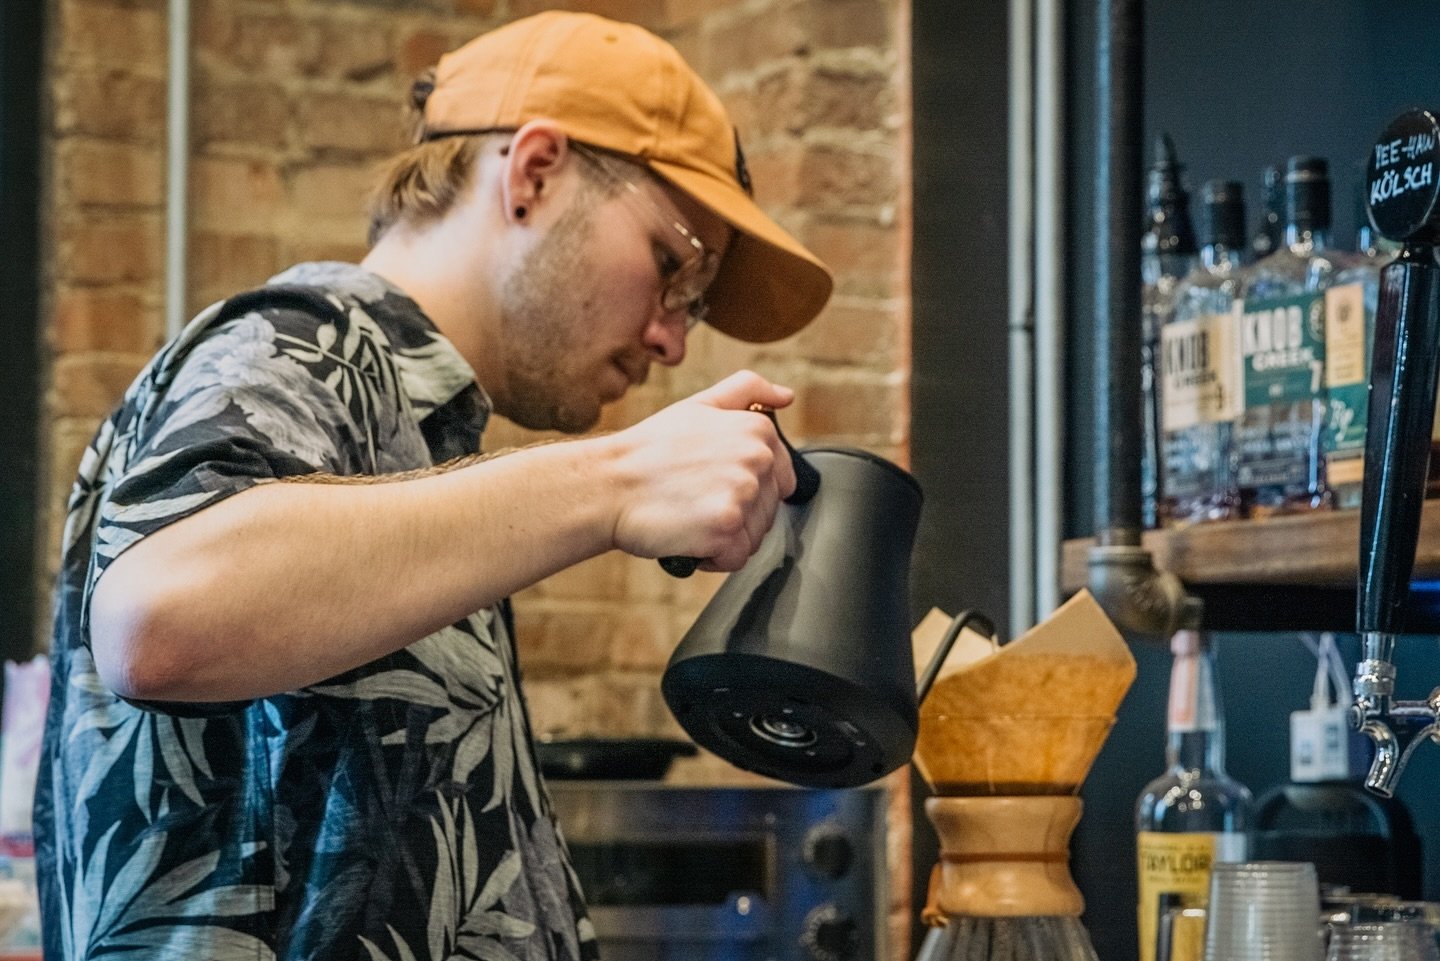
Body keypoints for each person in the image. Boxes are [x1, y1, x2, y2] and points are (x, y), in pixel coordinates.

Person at [34, 11, 833, 961]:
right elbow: (156, 617)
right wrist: (617, 480)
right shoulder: (300, 346)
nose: (672, 338)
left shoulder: (422, 435)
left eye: (692, 306)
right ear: (534, 173)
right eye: (674, 267)